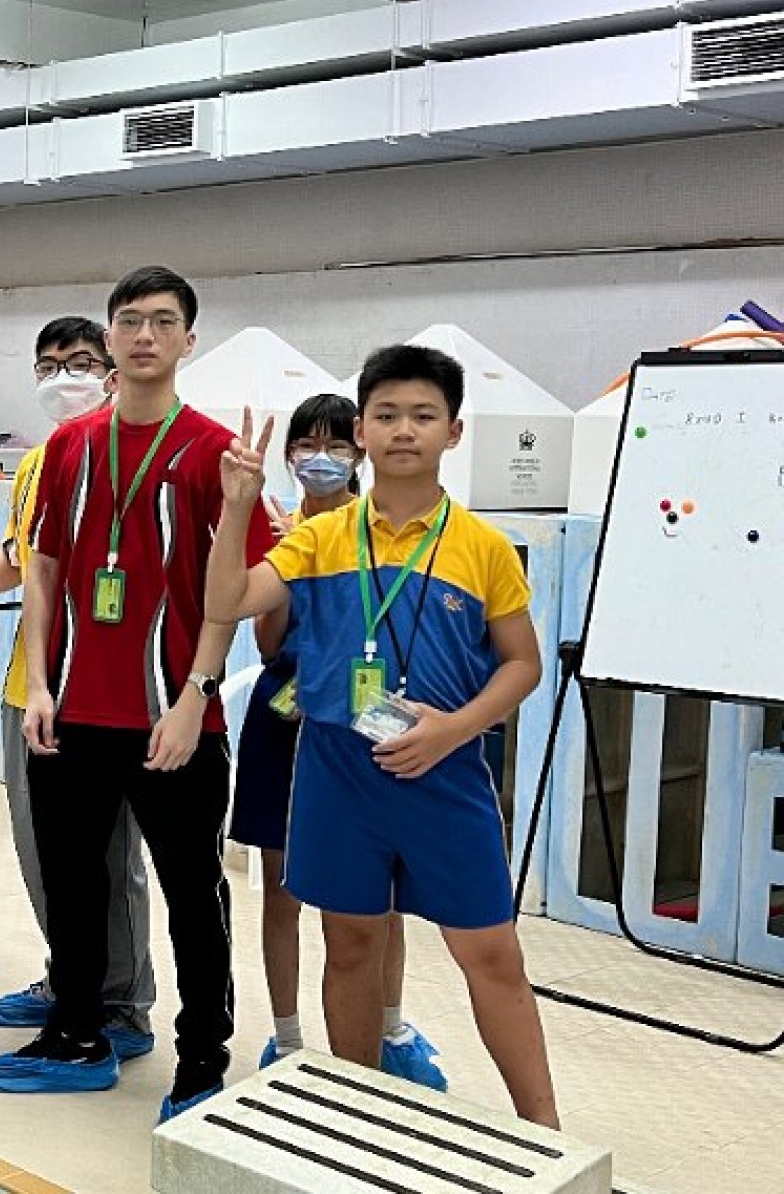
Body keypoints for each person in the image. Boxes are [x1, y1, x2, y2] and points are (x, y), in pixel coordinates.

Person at [206, 343, 559, 1127]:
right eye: (387, 414)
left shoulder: (483, 548)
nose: (404, 429)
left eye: (423, 415)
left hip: (445, 771)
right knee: (353, 944)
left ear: (453, 432)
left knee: (491, 953)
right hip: (336, 770)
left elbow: (523, 664)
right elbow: (226, 600)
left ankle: (549, 1137)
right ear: (362, 430)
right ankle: (357, 1115)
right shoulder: (320, 538)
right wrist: (237, 508)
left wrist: (455, 728)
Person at [0, 266, 274, 1122]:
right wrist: (40, 684)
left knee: (192, 894)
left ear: (189, 340)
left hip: (173, 719)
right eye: (131, 320)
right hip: (72, 713)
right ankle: (78, 1032)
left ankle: (202, 1056)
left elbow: (232, 591)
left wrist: (195, 695)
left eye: (164, 321)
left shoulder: (215, 453)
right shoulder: (69, 448)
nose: (146, 335)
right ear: (110, 337)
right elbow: (42, 566)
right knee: (73, 885)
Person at [0, 318, 157, 1055]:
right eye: (48, 364)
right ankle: (71, 978)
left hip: (96, 692)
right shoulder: (38, 462)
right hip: (27, 685)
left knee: (107, 859)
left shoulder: (131, 457)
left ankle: (121, 1003)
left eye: (80, 362)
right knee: (43, 852)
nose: (63, 377)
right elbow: (22, 553)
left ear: (110, 373)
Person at [228, 392, 444, 1088]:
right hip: (286, 715)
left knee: (381, 889)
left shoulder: (382, 528)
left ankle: (390, 1031)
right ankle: (287, 1038)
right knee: (280, 886)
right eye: (306, 445)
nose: (320, 458)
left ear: (358, 451)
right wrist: (286, 559)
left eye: (335, 445)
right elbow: (268, 644)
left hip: (369, 714)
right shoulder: (279, 530)